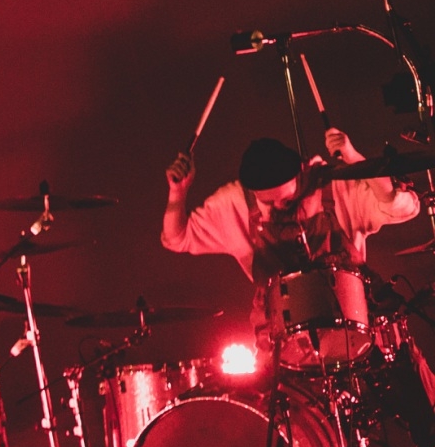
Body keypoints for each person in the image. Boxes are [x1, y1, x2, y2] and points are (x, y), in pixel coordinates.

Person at [164, 132, 424, 354]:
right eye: (268, 202)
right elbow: (177, 238)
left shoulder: (335, 185)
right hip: (288, 353)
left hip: (363, 339)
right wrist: (178, 194)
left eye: (286, 200)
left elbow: (401, 208)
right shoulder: (235, 202)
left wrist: (355, 159)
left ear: (301, 172)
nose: (279, 206)